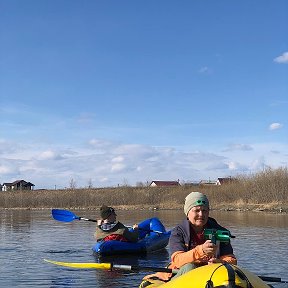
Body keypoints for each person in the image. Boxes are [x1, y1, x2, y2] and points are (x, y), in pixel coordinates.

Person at [139, 192, 237, 287]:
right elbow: (177, 260)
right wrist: (201, 250)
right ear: (188, 212)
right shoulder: (178, 233)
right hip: (183, 274)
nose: (201, 214)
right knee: (190, 267)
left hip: (211, 274)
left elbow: (231, 260)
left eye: (204, 210)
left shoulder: (221, 232)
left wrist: (220, 262)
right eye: (197, 210)